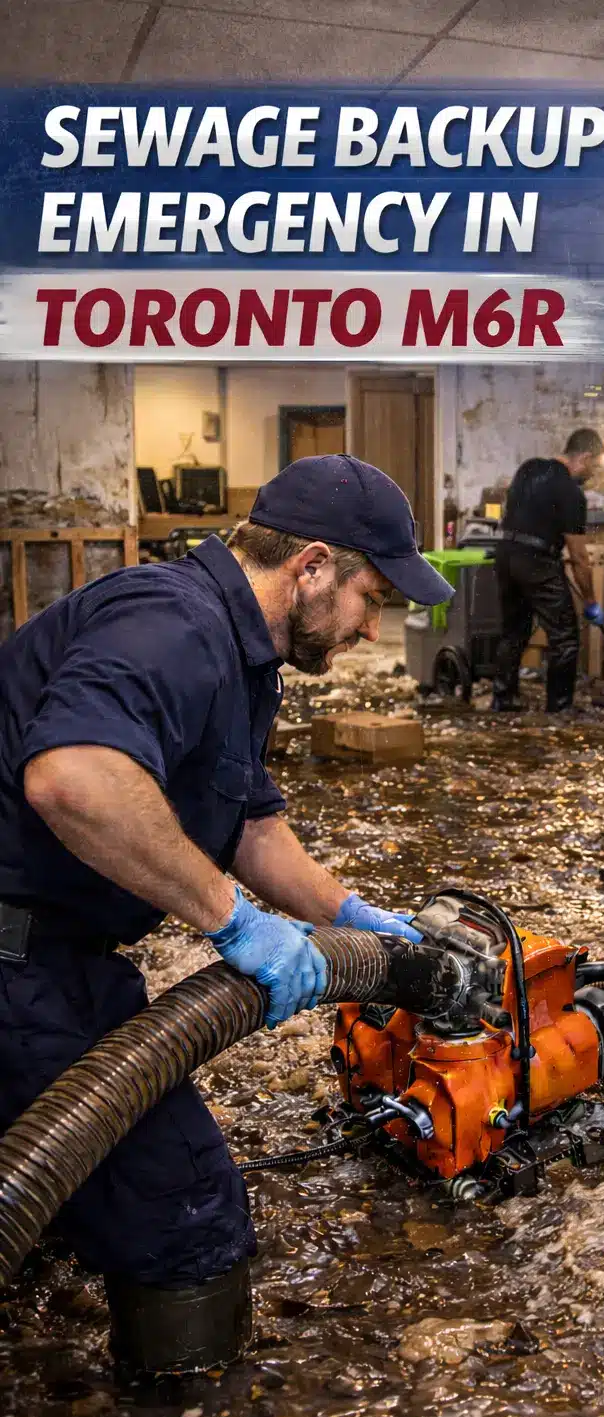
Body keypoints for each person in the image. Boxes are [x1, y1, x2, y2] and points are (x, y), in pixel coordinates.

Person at [0, 453, 454, 1369]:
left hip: (57, 948)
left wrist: (355, 919)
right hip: (16, 954)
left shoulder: (245, 651)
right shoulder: (175, 625)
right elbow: (73, 778)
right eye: (372, 598)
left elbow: (247, 822)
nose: (371, 628)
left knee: (67, 1191)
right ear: (313, 566)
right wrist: (232, 922)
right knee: (186, 1212)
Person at [491, 427, 604, 713]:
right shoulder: (572, 494)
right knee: (565, 636)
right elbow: (579, 556)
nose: (593, 473)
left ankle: (503, 700)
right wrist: (591, 601)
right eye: (594, 465)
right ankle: (559, 707)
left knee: (513, 631)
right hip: (536, 562)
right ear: (585, 457)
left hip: (505, 555)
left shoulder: (529, 468)